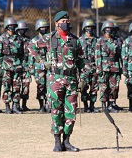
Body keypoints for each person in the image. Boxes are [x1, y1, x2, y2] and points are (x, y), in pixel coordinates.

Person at [45, 11, 84, 152]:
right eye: (62, 21)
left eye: (67, 21)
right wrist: (43, 63)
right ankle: (57, 142)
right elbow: (31, 48)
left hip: (71, 80)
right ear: (56, 23)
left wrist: (83, 80)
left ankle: (66, 141)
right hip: (55, 80)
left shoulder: (75, 40)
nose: (65, 23)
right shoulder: (49, 38)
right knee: (56, 111)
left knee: (71, 111)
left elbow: (82, 62)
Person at [0, 17, 24, 114]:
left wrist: (21, 64)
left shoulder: (19, 38)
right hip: (6, 66)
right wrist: (2, 65)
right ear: (7, 26)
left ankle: (15, 105)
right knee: (7, 86)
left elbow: (22, 54)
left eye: (14, 26)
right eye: (10, 25)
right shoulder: (1, 38)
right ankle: (7, 106)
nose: (12, 27)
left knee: (17, 86)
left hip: (17, 66)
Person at [95, 21, 123, 113]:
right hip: (104, 67)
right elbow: (97, 56)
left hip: (114, 66)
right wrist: (99, 68)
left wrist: (120, 67)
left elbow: (119, 55)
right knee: (104, 86)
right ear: (104, 30)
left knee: (114, 87)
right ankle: (103, 105)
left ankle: (111, 104)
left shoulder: (116, 41)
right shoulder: (100, 41)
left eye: (111, 30)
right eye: (108, 29)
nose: (110, 31)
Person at [28, 19, 50, 113]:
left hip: (49, 64)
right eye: (42, 27)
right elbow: (31, 55)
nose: (43, 29)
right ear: (38, 28)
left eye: (45, 27)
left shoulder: (49, 39)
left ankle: (48, 105)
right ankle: (41, 105)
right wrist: (31, 68)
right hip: (38, 65)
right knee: (41, 85)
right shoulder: (34, 40)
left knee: (49, 85)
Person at [79, 19, 99, 113]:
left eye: (91, 27)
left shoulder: (97, 40)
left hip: (94, 66)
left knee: (94, 87)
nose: (89, 29)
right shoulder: (80, 40)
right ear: (84, 28)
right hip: (84, 67)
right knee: (84, 87)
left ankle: (92, 105)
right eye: (87, 27)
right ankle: (85, 106)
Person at [16, 20, 32, 111]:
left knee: (26, 85)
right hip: (17, 65)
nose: (23, 31)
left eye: (25, 29)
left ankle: (24, 104)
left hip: (26, 65)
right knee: (17, 85)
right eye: (21, 29)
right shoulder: (15, 39)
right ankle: (16, 104)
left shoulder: (29, 40)